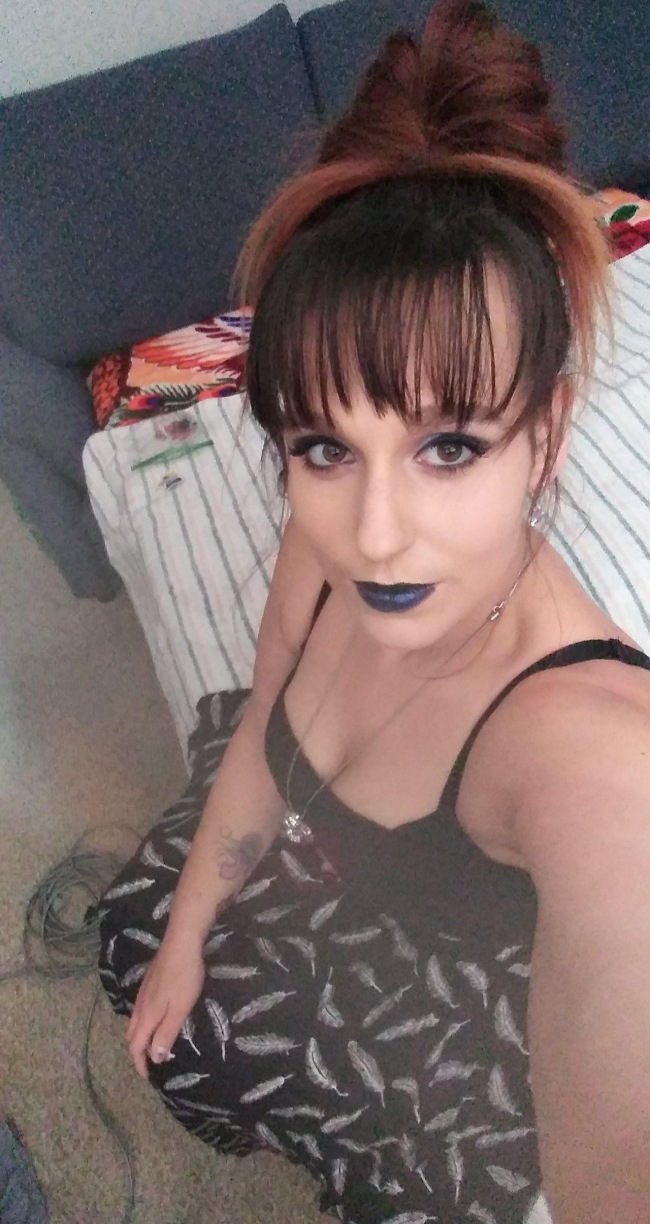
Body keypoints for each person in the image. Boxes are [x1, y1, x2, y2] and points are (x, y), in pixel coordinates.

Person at [97, 2, 650, 1221]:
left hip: (458, 1014)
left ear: (546, 434)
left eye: (449, 446)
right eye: (323, 446)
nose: (375, 533)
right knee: (133, 934)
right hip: (313, 884)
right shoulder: (329, 534)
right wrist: (188, 932)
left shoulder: (594, 755)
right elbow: (263, 721)